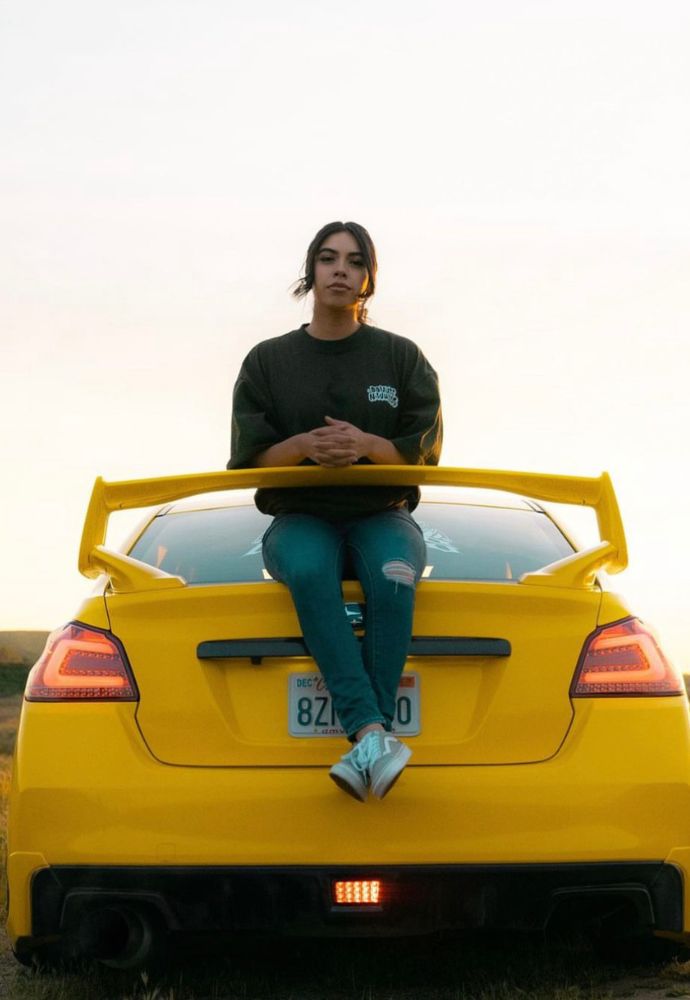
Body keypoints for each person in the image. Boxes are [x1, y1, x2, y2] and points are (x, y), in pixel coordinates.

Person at [228, 221, 442, 801]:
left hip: (383, 512)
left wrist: (367, 445)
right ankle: (375, 733)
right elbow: (247, 460)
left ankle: (366, 742)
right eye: (328, 259)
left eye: (354, 260)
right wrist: (303, 447)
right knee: (309, 569)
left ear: (369, 277)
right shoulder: (268, 361)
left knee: (396, 576)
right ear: (311, 272)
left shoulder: (401, 357)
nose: (340, 269)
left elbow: (423, 453)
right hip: (300, 516)